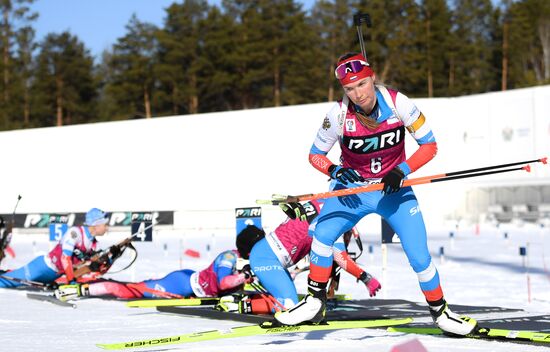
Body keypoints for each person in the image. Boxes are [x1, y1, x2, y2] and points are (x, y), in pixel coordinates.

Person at [274, 52, 477, 336]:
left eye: (362, 85)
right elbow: (315, 155)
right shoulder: (338, 114)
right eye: (349, 88)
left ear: (372, 79)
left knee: (419, 256)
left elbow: (429, 146)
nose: (358, 94)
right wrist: (334, 171)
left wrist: (402, 170)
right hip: (353, 191)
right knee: (320, 235)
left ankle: (441, 312)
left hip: (393, 190)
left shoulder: (399, 103)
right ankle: (315, 301)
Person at [218, 200, 381, 315]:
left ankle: (251, 300)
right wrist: (366, 278)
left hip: (269, 254)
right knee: (291, 306)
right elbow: (340, 258)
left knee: (288, 301)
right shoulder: (335, 219)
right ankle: (237, 305)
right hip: (265, 258)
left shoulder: (328, 202)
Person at [54, 249, 253, 300]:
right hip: (181, 284)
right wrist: (245, 276)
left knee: (137, 286)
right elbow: (225, 283)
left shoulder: (243, 259)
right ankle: (76, 289)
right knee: (129, 291)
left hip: (187, 280)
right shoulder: (229, 257)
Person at [0, 208, 110, 288]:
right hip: (42, 267)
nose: (107, 228)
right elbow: (64, 258)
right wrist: (71, 280)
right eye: (105, 224)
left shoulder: (95, 245)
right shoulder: (75, 233)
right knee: (4, 283)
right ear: (96, 224)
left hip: (53, 276)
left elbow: (94, 266)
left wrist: (107, 260)